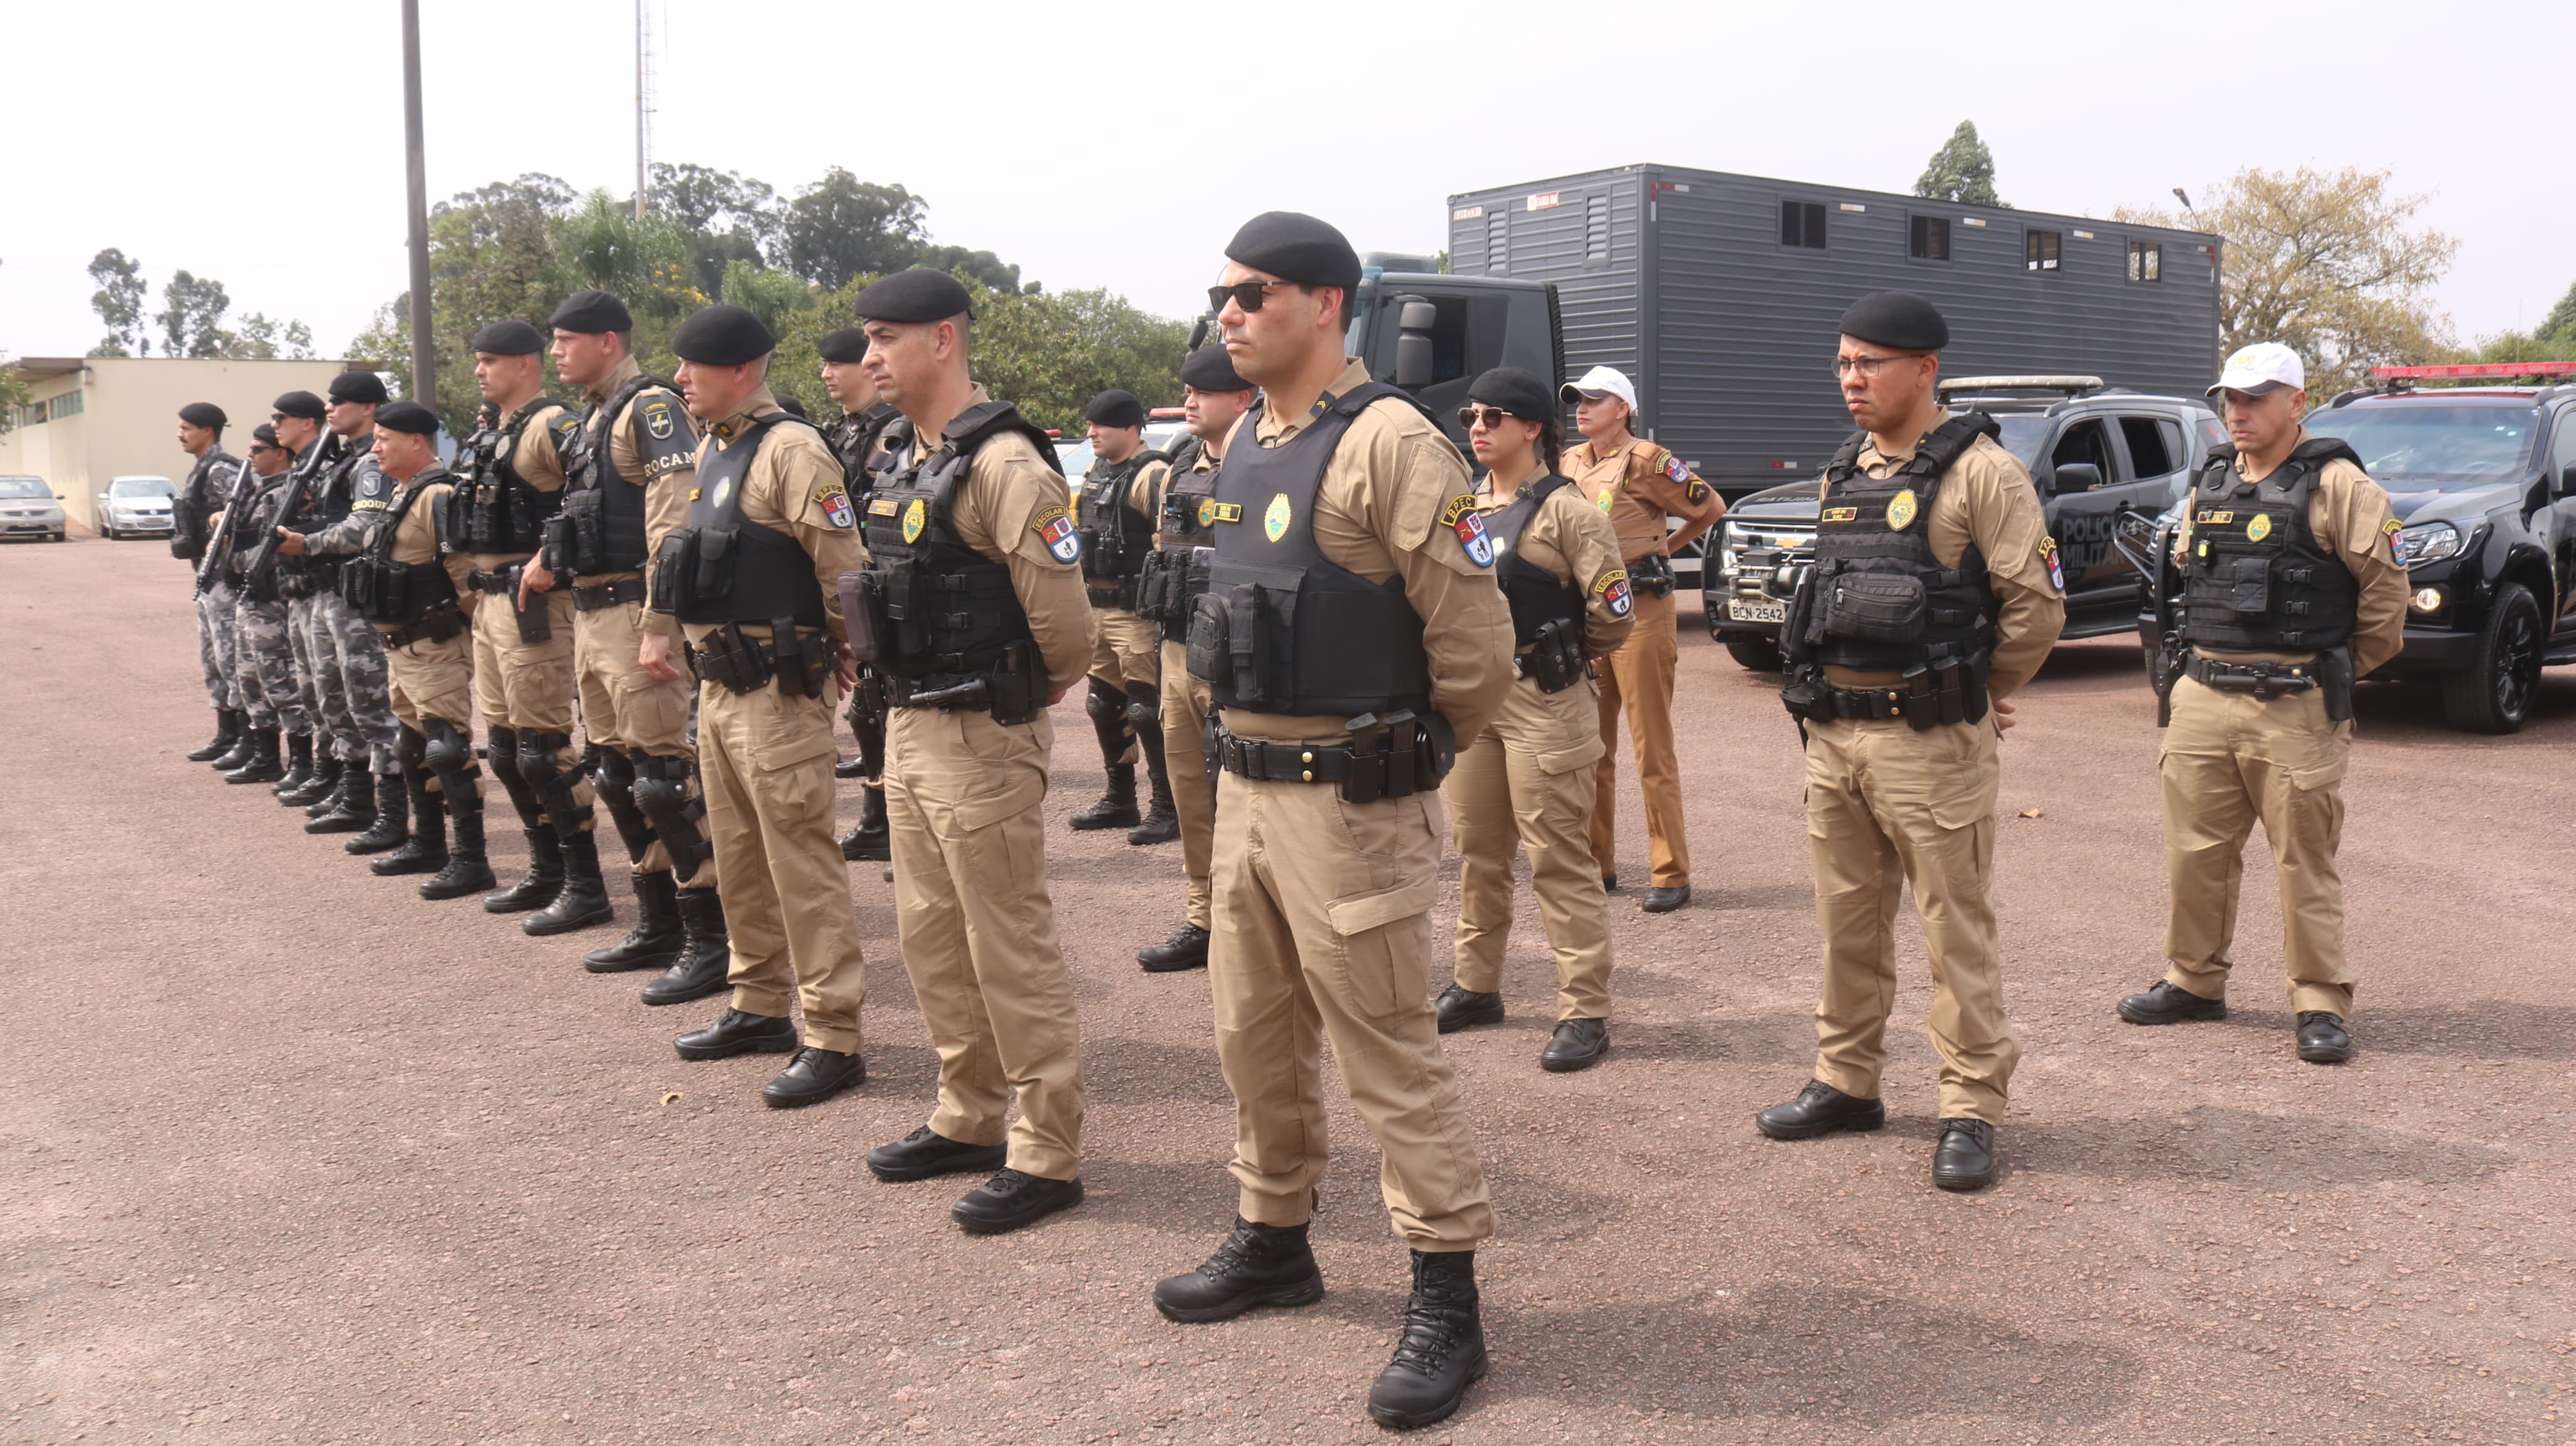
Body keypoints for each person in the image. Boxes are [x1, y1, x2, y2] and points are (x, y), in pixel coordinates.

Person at [1153, 213, 1514, 1432]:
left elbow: (1474, 652)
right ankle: (1273, 1237)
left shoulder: (1393, 445)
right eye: (1222, 293)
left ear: (1325, 303)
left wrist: (1411, 758)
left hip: (1351, 800)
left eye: (1252, 293)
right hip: (1247, 791)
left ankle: (1446, 1294)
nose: (1229, 312)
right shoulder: (1245, 440)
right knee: (1250, 1033)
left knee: (1386, 1048)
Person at [1755, 291, 2065, 1193]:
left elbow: (2036, 607)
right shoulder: (1845, 469)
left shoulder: (1985, 474)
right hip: (1837, 736)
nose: (1853, 379)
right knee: (1847, 924)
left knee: (1953, 927)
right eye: (1845, 361)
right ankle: (1847, 1081)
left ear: (1926, 369)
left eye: (1872, 364)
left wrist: (1980, 689)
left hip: (1930, 742)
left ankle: (1970, 1104)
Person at [849, 268, 1093, 1235]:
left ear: (941, 339)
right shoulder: (906, 456)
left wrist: (1018, 696)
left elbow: (1068, 631)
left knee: (1008, 943)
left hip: (983, 732)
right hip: (911, 724)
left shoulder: (1007, 466)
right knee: (931, 936)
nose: (869, 356)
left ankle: (1046, 1147)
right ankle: (968, 1111)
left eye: (884, 337)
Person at [2114, 343, 2405, 1065]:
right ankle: (2193, 980)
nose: (2236, 412)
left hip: (2296, 702)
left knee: (2303, 861)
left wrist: (2327, 672)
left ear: (2296, 403)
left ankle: (2316, 1001)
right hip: (2203, 694)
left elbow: (2386, 602)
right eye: (2228, 399)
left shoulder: (2339, 487)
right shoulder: (2210, 479)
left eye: (2253, 398)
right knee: (2195, 854)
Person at [651, 303, 873, 1109]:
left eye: (692, 367)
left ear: (741, 370)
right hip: (719, 688)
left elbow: (843, 569)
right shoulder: (717, 448)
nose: (679, 380)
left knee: (800, 864)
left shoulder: (791, 449)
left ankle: (834, 1033)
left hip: (779, 692)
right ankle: (755, 1002)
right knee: (740, 858)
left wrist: (845, 655)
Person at [526, 288, 730, 998]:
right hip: (589, 613)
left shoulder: (650, 407)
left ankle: (711, 938)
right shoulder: (594, 418)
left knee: (663, 779)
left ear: (606, 341)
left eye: (565, 340)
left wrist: (658, 621)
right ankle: (659, 922)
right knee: (613, 772)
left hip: (631, 613)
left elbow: (673, 518)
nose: (555, 352)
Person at [1432, 367, 1634, 1072]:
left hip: (1546, 701)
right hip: (1479, 705)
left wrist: (1569, 659)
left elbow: (1613, 613)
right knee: (1478, 855)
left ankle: (1584, 1010)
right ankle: (1475, 984)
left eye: (1493, 416)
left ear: (1531, 428)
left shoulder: (1569, 512)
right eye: (1469, 416)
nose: (1477, 427)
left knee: (1558, 860)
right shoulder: (1466, 509)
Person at [447, 320, 606, 925]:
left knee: (544, 750)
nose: (479, 370)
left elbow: (593, 496)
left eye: (490, 360)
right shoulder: (496, 432)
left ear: (525, 365)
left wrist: (551, 557)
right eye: (478, 360)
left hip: (533, 603)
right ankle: (547, 870)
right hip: (492, 603)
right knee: (509, 750)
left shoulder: (552, 425)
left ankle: (585, 885)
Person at [1560, 364, 1725, 912]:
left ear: (1623, 408)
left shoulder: (1646, 459)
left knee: (1650, 746)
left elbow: (1711, 508)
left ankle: (1669, 872)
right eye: (1578, 399)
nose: (1582, 407)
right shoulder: (1569, 461)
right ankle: (1598, 863)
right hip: (1591, 611)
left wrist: (1664, 549)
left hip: (1641, 609)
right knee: (1593, 747)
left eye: (1595, 399)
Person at [1129, 344, 1254, 972]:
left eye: (1202, 391)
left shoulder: (1265, 464)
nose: (1189, 401)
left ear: (1241, 398)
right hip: (1178, 649)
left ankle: (1250, 923)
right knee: (1188, 792)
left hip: (1236, 659)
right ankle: (1203, 918)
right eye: (1187, 390)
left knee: (1245, 796)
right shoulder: (1177, 465)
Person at [341, 402, 495, 899]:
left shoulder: (441, 495)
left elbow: (464, 574)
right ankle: (429, 842)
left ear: (417, 442)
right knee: (413, 748)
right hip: (402, 645)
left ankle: (471, 859)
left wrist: (475, 637)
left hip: (435, 642)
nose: (375, 447)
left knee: (447, 748)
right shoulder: (404, 493)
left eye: (385, 438)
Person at [272, 373, 406, 833]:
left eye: (340, 401)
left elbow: (362, 530)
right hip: (329, 593)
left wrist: (304, 545)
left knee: (370, 705)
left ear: (368, 407)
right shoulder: (342, 461)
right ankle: (355, 796)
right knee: (333, 701)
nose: (330, 409)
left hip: (356, 598)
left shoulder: (371, 462)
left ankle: (390, 812)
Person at [1069, 388, 1180, 843]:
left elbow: (1174, 544)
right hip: (1098, 607)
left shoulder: (1152, 475)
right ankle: (1120, 799)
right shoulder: (1097, 472)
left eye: (1102, 425)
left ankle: (1167, 807)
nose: (1092, 433)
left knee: (1146, 710)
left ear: (1131, 429)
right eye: (1090, 424)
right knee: (1101, 704)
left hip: (1136, 613)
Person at [816, 324, 903, 860]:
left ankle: (898, 823)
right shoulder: (841, 431)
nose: (827, 374)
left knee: (887, 707)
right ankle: (878, 820)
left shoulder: (893, 429)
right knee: (866, 711)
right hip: (855, 583)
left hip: (886, 580)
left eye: (836, 364)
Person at [220, 425, 315, 779]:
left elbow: (276, 547)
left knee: (282, 683)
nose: (251, 455)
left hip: (273, 600)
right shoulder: (255, 490)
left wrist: (236, 559)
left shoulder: (291, 491)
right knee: (250, 679)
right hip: (251, 599)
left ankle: (303, 761)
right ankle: (266, 756)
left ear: (280, 453)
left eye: (259, 449)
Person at [173, 403, 248, 763]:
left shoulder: (222, 469)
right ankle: (226, 733)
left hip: (224, 578)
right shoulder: (201, 468)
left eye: (187, 427)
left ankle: (248, 739)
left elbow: (244, 517)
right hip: (207, 576)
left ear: (208, 431)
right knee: (213, 659)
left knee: (230, 657)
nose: (180, 433)